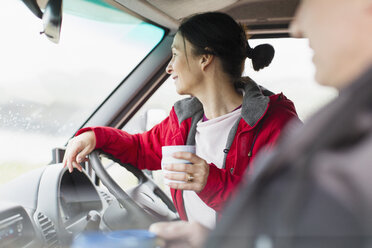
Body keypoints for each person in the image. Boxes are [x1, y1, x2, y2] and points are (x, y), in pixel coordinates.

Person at [150, 0, 372, 247]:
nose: (297, 27)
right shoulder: (349, 118)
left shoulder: (283, 123)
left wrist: (211, 182)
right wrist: (212, 240)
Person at [63, 12, 299, 229]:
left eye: (175, 54)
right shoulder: (183, 120)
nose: (169, 67)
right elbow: (140, 148)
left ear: (204, 59)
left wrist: (211, 181)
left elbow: (288, 210)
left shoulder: (277, 124)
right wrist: (95, 136)